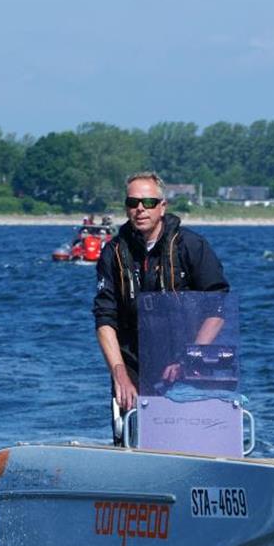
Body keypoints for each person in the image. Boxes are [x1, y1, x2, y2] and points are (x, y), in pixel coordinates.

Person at [93, 171, 229, 438]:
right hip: (133, 363)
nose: (141, 209)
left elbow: (219, 305)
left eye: (149, 202)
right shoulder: (113, 253)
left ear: (162, 206)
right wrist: (119, 373)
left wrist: (190, 358)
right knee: (133, 439)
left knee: (189, 440)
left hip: (186, 361)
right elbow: (104, 317)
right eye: (133, 203)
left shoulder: (191, 246)